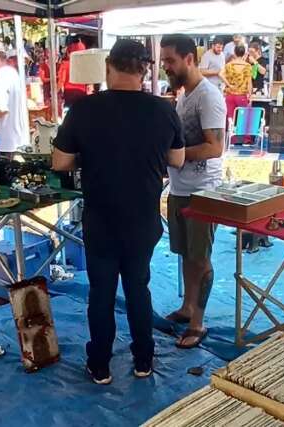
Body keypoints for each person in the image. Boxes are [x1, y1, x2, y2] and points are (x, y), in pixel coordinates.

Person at [52, 39, 185, 385]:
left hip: (102, 218)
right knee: (139, 288)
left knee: (101, 293)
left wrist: (91, 157)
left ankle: (100, 365)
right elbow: (177, 159)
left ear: (108, 66)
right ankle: (144, 360)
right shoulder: (163, 110)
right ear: (144, 70)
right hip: (142, 218)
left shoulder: (84, 108)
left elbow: (60, 161)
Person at [160, 34, 226, 349]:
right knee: (186, 254)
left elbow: (215, 147)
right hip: (180, 188)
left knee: (201, 259)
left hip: (203, 193)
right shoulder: (185, 95)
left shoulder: (209, 97)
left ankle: (198, 323)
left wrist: (176, 156)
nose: (165, 67)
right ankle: (187, 308)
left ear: (189, 58)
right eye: (163, 61)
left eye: (170, 61)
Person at [220, 44, 252, 122]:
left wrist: (229, 85)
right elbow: (249, 82)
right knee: (243, 119)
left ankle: (230, 134)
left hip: (230, 95)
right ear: (244, 53)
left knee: (230, 119)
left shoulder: (229, 65)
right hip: (241, 96)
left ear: (234, 53)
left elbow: (220, 74)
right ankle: (241, 134)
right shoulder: (247, 66)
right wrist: (250, 95)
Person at [57, 40, 87, 110]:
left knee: (70, 115)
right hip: (81, 92)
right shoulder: (84, 65)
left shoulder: (65, 64)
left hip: (69, 92)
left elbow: (62, 80)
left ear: (68, 53)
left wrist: (56, 92)